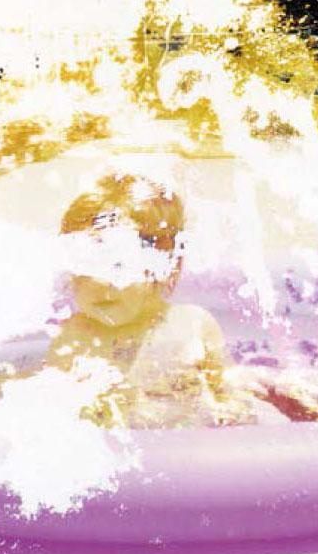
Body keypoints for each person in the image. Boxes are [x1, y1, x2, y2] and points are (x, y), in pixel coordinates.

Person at [47, 172, 271, 428]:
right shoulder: (74, 338)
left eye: (118, 266)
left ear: (163, 266)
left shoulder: (191, 325)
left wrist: (229, 409)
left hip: (188, 442)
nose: (100, 282)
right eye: (86, 267)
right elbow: (57, 410)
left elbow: (228, 392)